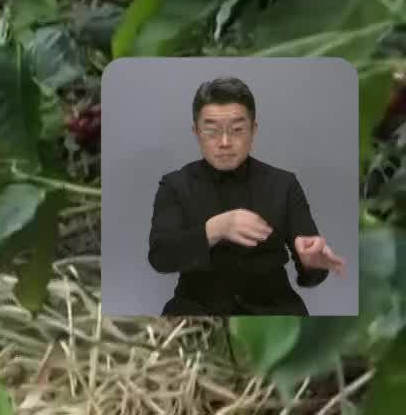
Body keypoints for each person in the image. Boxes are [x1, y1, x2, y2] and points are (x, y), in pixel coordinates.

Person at [145, 76, 347, 316]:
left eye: (238, 130)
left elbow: (313, 266)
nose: (225, 142)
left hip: (275, 310)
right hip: (197, 310)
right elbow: (160, 256)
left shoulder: (284, 184)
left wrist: (311, 263)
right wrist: (213, 230)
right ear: (196, 132)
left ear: (254, 130)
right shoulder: (175, 185)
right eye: (211, 131)